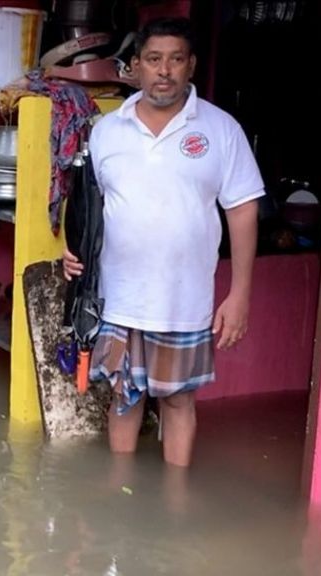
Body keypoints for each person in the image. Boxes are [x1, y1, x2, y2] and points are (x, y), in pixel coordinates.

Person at [63, 17, 264, 467]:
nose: (165, 71)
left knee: (178, 402)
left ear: (191, 65)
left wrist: (241, 293)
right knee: (122, 397)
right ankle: (121, 496)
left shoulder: (221, 130)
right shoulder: (107, 130)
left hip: (184, 300)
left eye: (176, 59)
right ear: (136, 67)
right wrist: (70, 249)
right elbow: (86, 206)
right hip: (117, 298)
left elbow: (243, 209)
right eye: (154, 60)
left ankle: (175, 501)